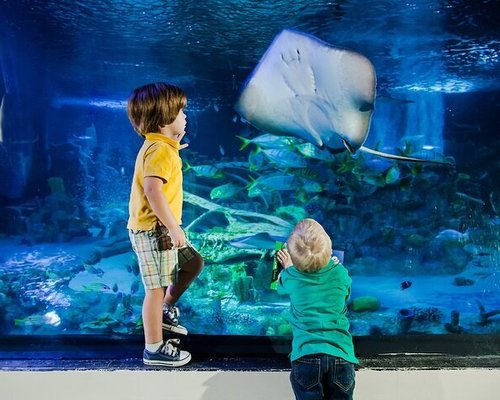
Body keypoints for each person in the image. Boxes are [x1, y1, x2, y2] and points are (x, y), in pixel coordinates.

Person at [127, 82, 204, 367]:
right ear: (163, 120)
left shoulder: (162, 147)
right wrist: (173, 227)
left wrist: (173, 146)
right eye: (181, 111)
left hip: (160, 230)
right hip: (154, 231)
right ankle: (154, 348)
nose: (185, 116)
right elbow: (153, 190)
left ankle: (165, 310)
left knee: (193, 263)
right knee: (155, 288)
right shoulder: (159, 150)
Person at [276, 218, 358, 399]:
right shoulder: (340, 273)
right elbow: (346, 296)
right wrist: (334, 266)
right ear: (328, 250)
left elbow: (279, 287)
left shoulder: (291, 276)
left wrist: (289, 266)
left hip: (306, 356)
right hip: (341, 356)